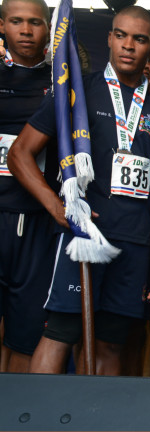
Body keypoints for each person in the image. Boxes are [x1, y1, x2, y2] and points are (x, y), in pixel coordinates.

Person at [8, 5, 150, 376]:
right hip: (84, 235)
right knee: (61, 333)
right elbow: (20, 154)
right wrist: (56, 207)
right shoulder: (77, 91)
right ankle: (39, 412)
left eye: (139, 39)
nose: (128, 45)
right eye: (121, 35)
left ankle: (97, 412)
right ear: (109, 38)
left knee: (111, 343)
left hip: (134, 244)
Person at [0, 0, 54, 374]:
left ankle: (14, 405)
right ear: (2, 26)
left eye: (34, 22)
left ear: (49, 28)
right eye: (16, 21)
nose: (25, 30)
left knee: (25, 333)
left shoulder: (64, 84)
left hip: (36, 221)